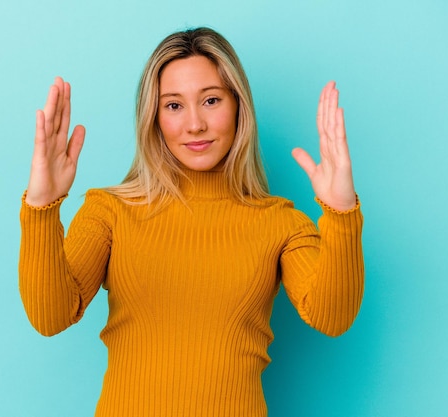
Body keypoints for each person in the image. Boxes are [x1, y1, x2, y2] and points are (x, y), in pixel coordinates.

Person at [19, 27, 363, 417]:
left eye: (211, 100)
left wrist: (340, 213)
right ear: (154, 117)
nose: (195, 124)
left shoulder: (280, 223)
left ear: (238, 106)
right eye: (174, 106)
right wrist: (42, 206)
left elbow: (333, 317)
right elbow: (50, 317)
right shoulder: (109, 211)